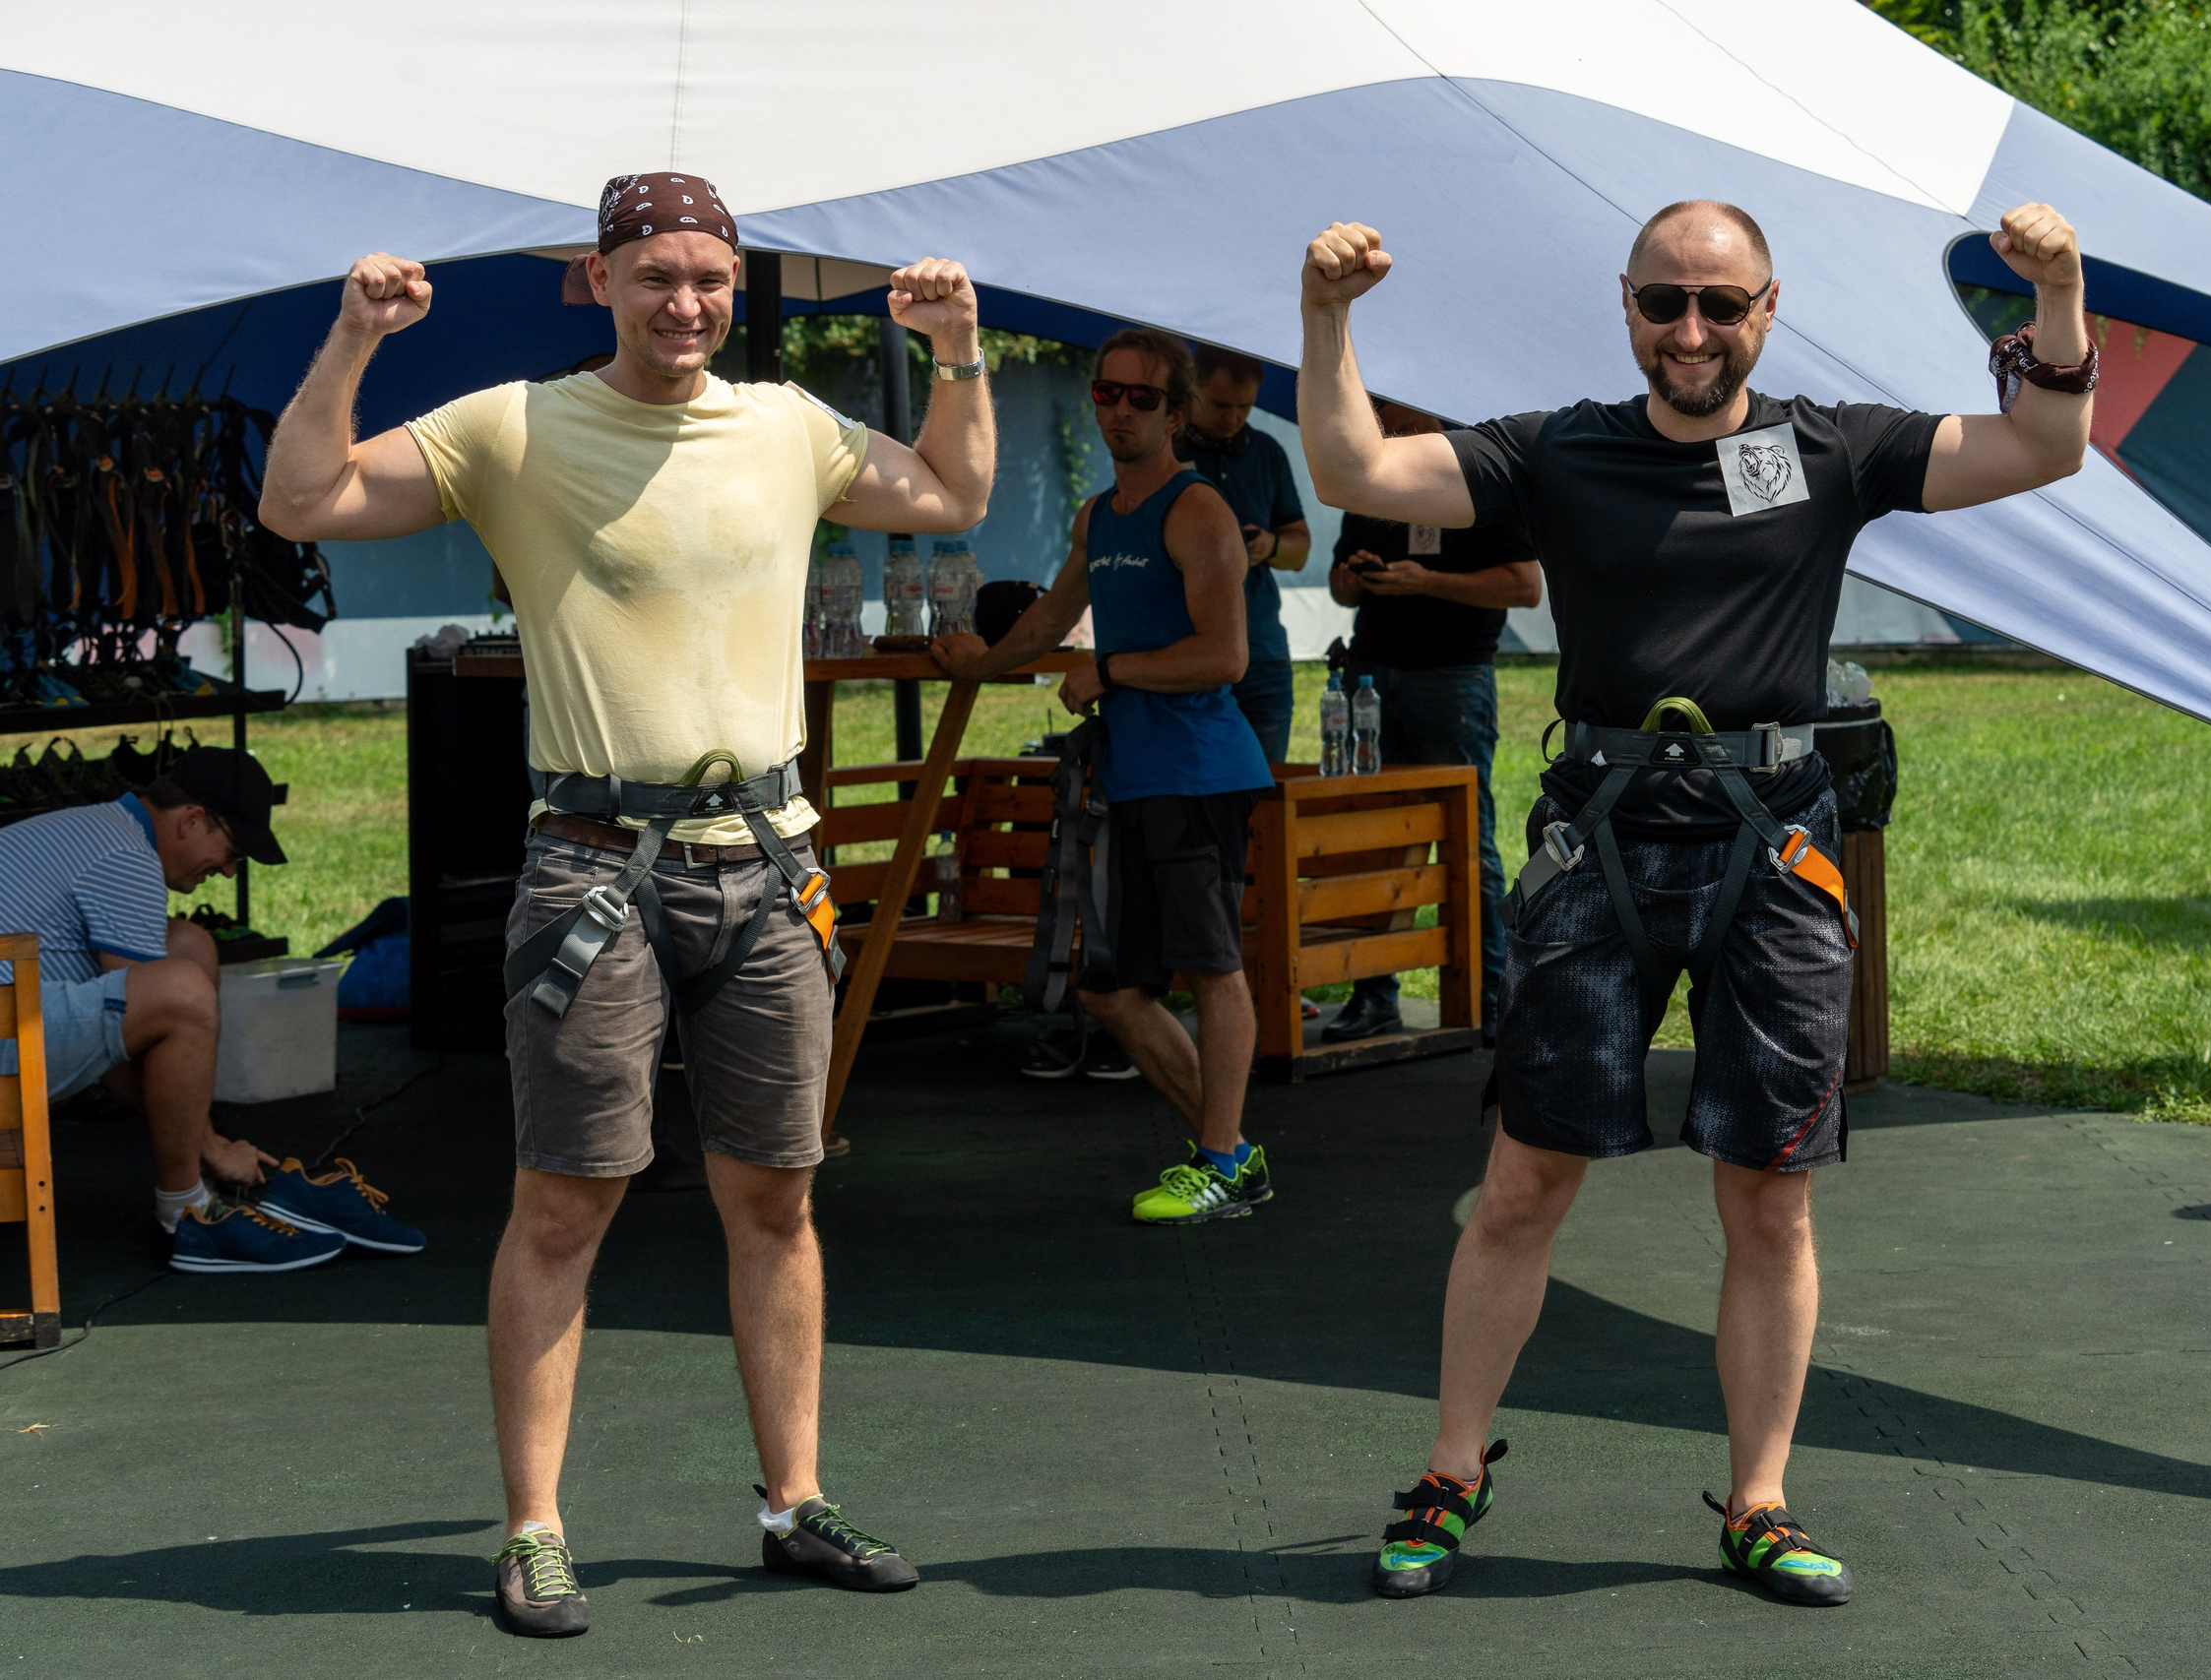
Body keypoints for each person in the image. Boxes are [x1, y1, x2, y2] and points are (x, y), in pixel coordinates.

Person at [1296, 200, 2095, 1604]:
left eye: (1720, 306)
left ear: (1768, 311)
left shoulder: (1830, 449)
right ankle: (1450, 1466)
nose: (1691, 330)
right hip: (1601, 845)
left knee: (1770, 1197)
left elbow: (2046, 443)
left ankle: (1762, 1498)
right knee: (1524, 1181)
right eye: (1665, 301)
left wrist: (2062, 296)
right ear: (1626, 305)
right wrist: (1325, 316)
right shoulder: (1555, 451)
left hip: (1771, 852)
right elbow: (1350, 458)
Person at [257, 172, 995, 1637]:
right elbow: (300, 500)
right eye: (656, 275)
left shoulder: (789, 425)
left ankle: (793, 1499)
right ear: (597, 280)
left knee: (776, 1194)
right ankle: (533, 1525)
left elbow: (956, 495)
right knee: (563, 1199)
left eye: (711, 278)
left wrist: (962, 350)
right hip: (596, 864)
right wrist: (353, 341)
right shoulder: (511, 425)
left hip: (770, 867)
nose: (689, 303)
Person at [934, 329, 1276, 1225]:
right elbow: (1049, 620)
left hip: (1200, 774)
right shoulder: (1100, 515)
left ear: (1176, 414)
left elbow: (1226, 654)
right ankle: (1230, 1154)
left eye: (1142, 398)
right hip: (1134, 778)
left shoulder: (1196, 511)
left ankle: (1221, 1158)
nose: (1121, 409)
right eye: (1107, 393)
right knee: (1110, 990)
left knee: (1212, 970)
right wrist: (979, 663)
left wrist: (1112, 672)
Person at [0, 748, 369, 1272]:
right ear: (192, 819)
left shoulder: (101, 828)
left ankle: (202, 1173)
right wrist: (214, 1145)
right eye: (232, 850)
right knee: (182, 992)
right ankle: (187, 1213)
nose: (226, 870)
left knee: (189, 947)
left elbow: (125, 1024)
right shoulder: (126, 858)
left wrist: (200, 1133)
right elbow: (145, 1028)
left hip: (13, 1010)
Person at [1323, 399, 1541, 1045]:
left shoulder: (1483, 476)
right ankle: (1374, 993)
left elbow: (1524, 586)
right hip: (1370, 677)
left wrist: (1427, 581)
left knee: (1467, 835)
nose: (1387, 418)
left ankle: (1494, 992)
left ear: (1432, 410)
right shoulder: (1368, 479)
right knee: (1372, 834)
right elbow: (1339, 586)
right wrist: (1351, 578)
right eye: (1379, 407)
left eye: (1397, 408)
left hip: (1452, 675)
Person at [1175, 344, 1310, 763]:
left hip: (1262, 651)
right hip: (1187, 650)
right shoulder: (1166, 450)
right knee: (1195, 790)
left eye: (1245, 406)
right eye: (1219, 404)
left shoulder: (1267, 452)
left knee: (1266, 792)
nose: (1232, 417)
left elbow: (1300, 550)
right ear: (1191, 389)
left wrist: (1269, 547)